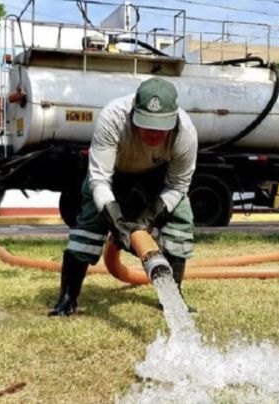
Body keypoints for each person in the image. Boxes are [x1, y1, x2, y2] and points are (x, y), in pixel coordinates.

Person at [49, 77, 198, 317]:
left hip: (155, 177)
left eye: (161, 127)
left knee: (181, 218)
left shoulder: (186, 133)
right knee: (89, 223)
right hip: (113, 174)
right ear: (133, 114)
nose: (153, 133)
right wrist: (118, 224)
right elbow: (99, 179)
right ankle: (67, 299)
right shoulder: (113, 118)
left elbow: (179, 185)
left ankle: (173, 296)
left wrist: (147, 220)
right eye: (147, 124)